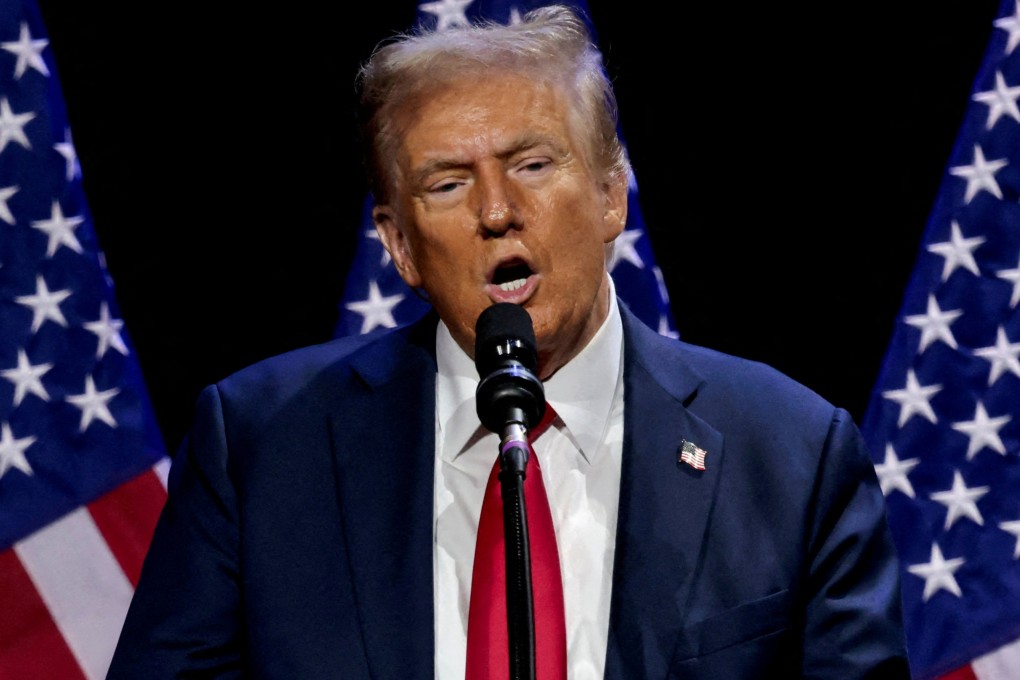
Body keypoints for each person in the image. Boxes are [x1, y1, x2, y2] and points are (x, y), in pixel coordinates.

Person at [107, 5, 910, 678]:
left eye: (532, 164)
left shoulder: (791, 456)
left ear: (610, 195)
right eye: (448, 183)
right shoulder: (261, 448)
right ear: (399, 245)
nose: (496, 211)